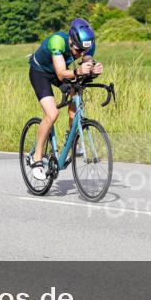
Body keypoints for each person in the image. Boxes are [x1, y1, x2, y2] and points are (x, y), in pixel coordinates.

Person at [27, 18, 104, 181]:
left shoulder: (87, 44)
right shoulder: (57, 42)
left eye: (83, 51)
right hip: (40, 72)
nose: (80, 54)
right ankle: (37, 158)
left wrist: (94, 69)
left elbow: (86, 66)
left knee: (77, 89)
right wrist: (79, 71)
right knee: (52, 114)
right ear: (70, 39)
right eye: (77, 50)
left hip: (60, 70)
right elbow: (61, 73)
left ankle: (71, 137)